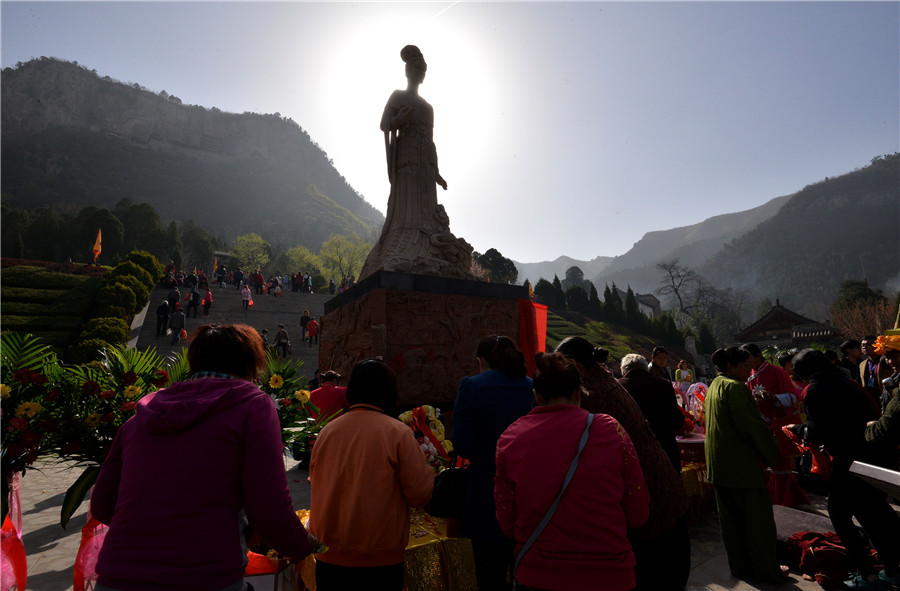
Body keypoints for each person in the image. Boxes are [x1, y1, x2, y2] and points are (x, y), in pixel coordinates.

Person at [90, 324, 321, 591]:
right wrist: (306, 545)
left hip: (118, 575)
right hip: (204, 576)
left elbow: (103, 504)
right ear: (251, 364)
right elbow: (268, 510)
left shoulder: (139, 418)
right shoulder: (252, 407)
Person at [495, 352, 649, 591]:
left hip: (537, 576)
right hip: (609, 575)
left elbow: (506, 521)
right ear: (579, 393)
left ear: (536, 395)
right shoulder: (611, 430)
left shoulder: (510, 438)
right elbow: (638, 512)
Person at [555, 337, 690, 591]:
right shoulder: (604, 382)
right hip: (663, 495)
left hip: (648, 504)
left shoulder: (592, 395)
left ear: (574, 365)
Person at [309, 359, 434, 591]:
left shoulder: (327, 432)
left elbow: (315, 481)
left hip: (329, 558)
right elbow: (420, 493)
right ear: (389, 391)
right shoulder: (397, 433)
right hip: (379, 561)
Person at [791, 348, 899, 590]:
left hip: (844, 465)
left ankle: (868, 575)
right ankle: (892, 569)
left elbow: (818, 432)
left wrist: (798, 430)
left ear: (803, 373)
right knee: (874, 516)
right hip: (871, 461)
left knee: (840, 516)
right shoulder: (848, 382)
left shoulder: (814, 390)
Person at [449, 336, 534, 591]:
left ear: (482, 360)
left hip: (486, 491)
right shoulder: (531, 386)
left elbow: (461, 443)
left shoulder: (472, 387)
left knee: (489, 575)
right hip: (529, 492)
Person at [705, 347, 787, 584]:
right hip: (741, 467)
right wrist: (773, 453)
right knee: (758, 521)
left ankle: (740, 567)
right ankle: (766, 570)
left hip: (720, 467)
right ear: (731, 367)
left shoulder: (715, 385)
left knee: (732, 523)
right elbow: (751, 428)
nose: (748, 371)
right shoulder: (736, 388)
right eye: (744, 366)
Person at [740, 343, 805, 507]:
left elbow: (794, 397)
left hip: (777, 424)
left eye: (748, 360)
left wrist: (775, 398)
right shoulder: (750, 374)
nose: (746, 364)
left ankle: (785, 499)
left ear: (757, 355)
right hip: (761, 426)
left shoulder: (777, 372)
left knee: (780, 465)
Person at [618, 353, 685, 472]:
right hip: (664, 451)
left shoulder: (617, 387)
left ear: (624, 371)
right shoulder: (664, 385)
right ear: (645, 367)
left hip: (631, 455)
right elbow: (677, 421)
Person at [865, 333, 900, 449]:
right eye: (887, 358)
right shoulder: (894, 377)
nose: (890, 362)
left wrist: (875, 427)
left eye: (894, 357)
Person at [860, 335, 892, 411]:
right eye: (863, 345)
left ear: (877, 345)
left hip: (886, 397)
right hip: (870, 400)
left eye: (869, 345)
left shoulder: (885, 361)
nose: (865, 347)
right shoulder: (862, 364)